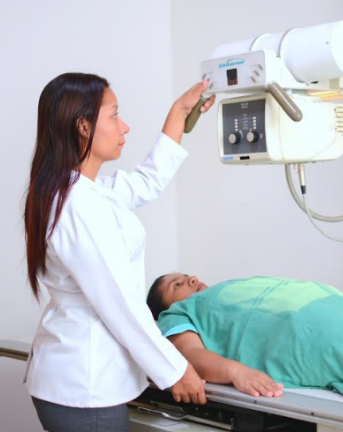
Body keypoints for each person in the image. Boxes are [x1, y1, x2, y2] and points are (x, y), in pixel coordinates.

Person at [23, 73, 215, 432]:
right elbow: (120, 302)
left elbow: (147, 181)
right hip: (85, 389)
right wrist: (175, 370)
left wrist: (179, 112)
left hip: (76, 381)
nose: (124, 126)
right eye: (114, 115)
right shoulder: (78, 204)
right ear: (83, 126)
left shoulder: (83, 191)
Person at [146, 273, 343, 410]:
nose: (190, 279)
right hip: (316, 332)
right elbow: (189, 355)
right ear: (167, 307)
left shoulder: (229, 286)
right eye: (178, 284)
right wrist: (236, 372)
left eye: (186, 275)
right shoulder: (177, 315)